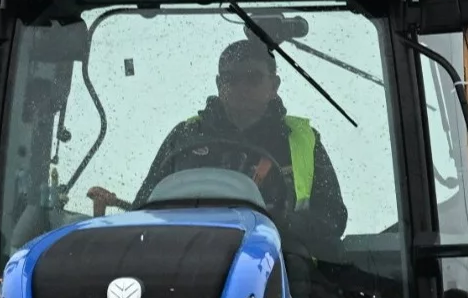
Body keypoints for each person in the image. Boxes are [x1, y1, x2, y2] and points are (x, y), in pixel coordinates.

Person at [92, 39, 349, 246]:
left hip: (283, 268)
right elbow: (144, 211)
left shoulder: (302, 141)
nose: (241, 87)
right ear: (218, 84)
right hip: (186, 262)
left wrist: (281, 223)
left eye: (253, 78)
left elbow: (333, 220)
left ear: (274, 85)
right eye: (230, 79)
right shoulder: (186, 136)